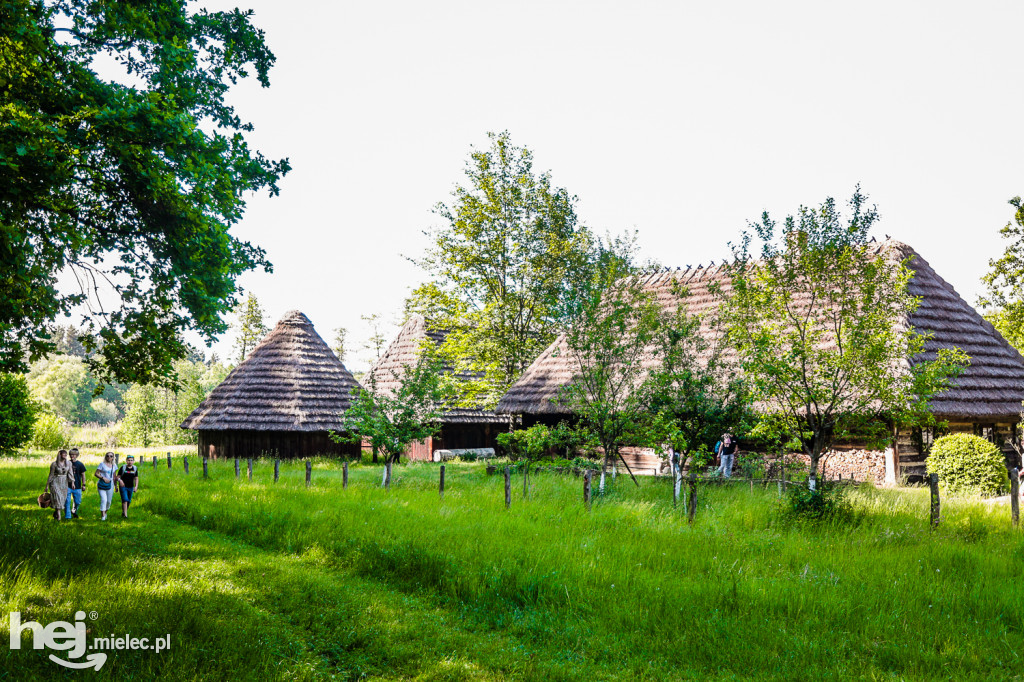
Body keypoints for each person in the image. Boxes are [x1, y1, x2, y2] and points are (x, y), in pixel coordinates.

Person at [46, 449, 74, 521]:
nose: (65, 456)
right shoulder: (54, 464)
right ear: (60, 455)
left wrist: (72, 482)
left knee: (62, 499)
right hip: (55, 482)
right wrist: (47, 485)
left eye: (66, 455)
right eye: (63, 454)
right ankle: (59, 517)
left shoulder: (68, 463)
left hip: (64, 482)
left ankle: (56, 512)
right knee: (57, 497)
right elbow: (51, 475)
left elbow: (70, 473)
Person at [65, 448, 87, 520]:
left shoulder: (80, 464)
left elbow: (83, 475)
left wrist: (83, 485)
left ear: (77, 455)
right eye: (71, 454)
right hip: (67, 485)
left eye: (74, 454)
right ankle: (68, 517)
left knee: (77, 501)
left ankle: (74, 510)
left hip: (77, 485)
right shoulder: (67, 463)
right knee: (67, 501)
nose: (72, 456)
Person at [116, 455, 140, 519]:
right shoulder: (123, 468)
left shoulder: (134, 468)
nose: (130, 462)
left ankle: (124, 512)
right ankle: (125, 516)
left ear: (133, 461)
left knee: (129, 500)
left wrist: (136, 487)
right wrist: (120, 480)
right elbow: (117, 477)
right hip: (123, 486)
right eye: (128, 460)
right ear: (126, 461)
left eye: (131, 460)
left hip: (131, 487)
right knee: (125, 500)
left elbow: (136, 478)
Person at [94, 452, 116, 521]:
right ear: (105, 457)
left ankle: (105, 512)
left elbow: (114, 476)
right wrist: (103, 478)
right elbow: (96, 473)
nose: (109, 457)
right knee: (104, 499)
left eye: (111, 456)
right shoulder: (102, 464)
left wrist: (116, 486)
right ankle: (103, 516)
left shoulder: (114, 465)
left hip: (110, 484)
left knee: (109, 501)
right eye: (107, 456)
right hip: (102, 484)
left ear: (113, 457)